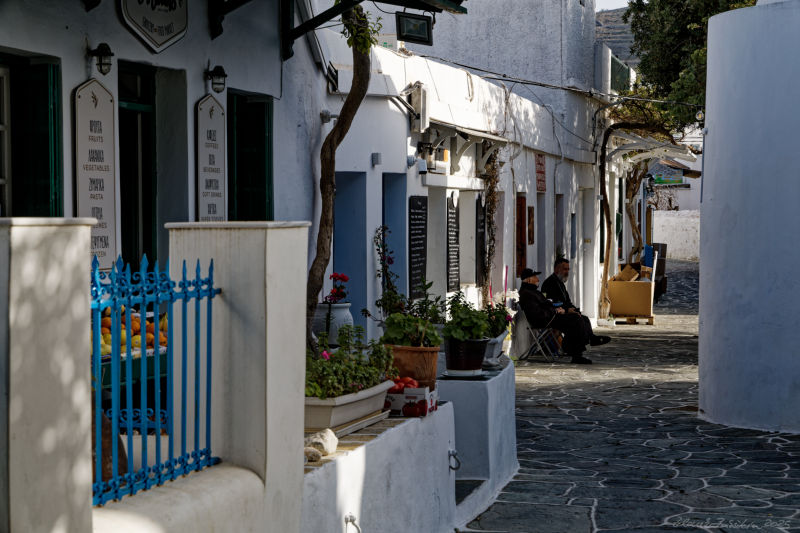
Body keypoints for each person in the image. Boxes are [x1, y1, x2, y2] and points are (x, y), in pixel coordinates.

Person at [517, 267, 593, 364]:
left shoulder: (532, 292)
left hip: (550, 317)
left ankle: (576, 347)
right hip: (546, 320)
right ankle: (575, 353)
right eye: (535, 276)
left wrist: (557, 309)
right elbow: (538, 314)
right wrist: (555, 311)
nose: (538, 279)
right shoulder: (527, 294)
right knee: (575, 319)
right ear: (529, 280)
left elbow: (544, 307)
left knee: (579, 317)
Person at [541, 258, 611, 348]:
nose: (567, 272)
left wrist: (573, 309)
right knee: (577, 321)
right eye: (564, 269)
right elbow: (551, 303)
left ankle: (591, 339)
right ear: (557, 269)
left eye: (568, 269)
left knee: (584, 318)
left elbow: (567, 301)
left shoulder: (560, 283)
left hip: (563, 313)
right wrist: (567, 310)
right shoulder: (550, 283)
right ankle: (577, 348)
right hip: (555, 316)